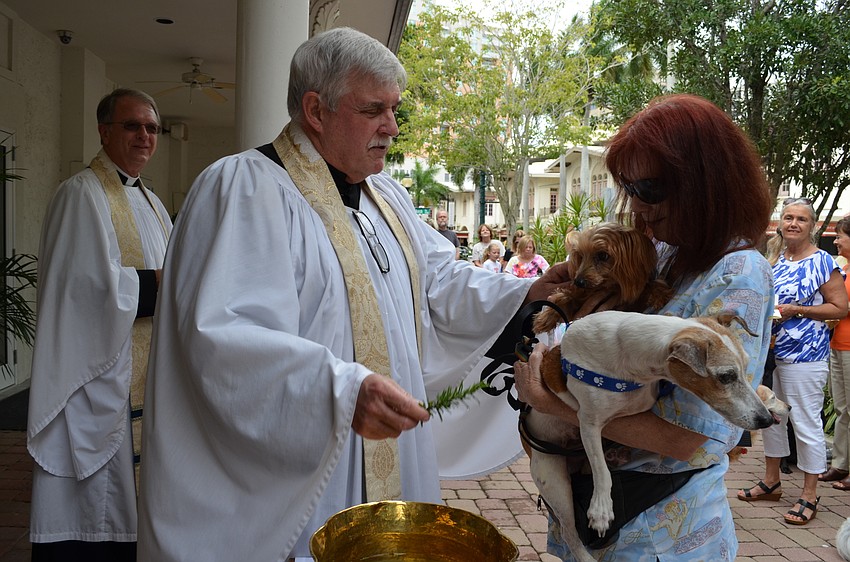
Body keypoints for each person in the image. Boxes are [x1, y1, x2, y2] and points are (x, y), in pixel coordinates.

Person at [136, 27, 569, 562]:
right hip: (307, 468)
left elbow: (437, 280)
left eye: (394, 109)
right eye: (373, 110)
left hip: (385, 449)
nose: (391, 127)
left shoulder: (384, 194)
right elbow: (220, 339)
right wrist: (338, 391)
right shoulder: (244, 189)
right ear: (315, 110)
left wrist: (529, 290)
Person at [514, 93, 774, 560]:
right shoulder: (670, 256)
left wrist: (549, 401)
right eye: (629, 188)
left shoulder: (739, 275)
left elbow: (692, 438)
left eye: (650, 189)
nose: (637, 205)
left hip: (661, 528)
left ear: (702, 184)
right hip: (606, 512)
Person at [27, 88, 172, 561]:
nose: (145, 136)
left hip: (143, 375)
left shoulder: (151, 203)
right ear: (104, 131)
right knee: (93, 511)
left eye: (152, 127)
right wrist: (161, 283)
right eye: (133, 125)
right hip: (98, 376)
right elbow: (82, 290)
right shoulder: (80, 195)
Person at [738, 198, 847, 525]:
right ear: (780, 223)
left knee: (806, 422)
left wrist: (799, 310)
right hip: (771, 352)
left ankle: (810, 494)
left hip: (806, 355)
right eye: (788, 217)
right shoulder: (777, 260)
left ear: (812, 225)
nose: (794, 223)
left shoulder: (823, 262)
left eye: (801, 218)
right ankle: (772, 481)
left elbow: (840, 308)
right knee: (772, 416)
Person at [827, 216, 850, 491]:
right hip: (838, 344)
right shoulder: (843, 268)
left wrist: (839, 306)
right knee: (843, 410)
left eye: (840, 236)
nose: (836, 241)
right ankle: (841, 464)